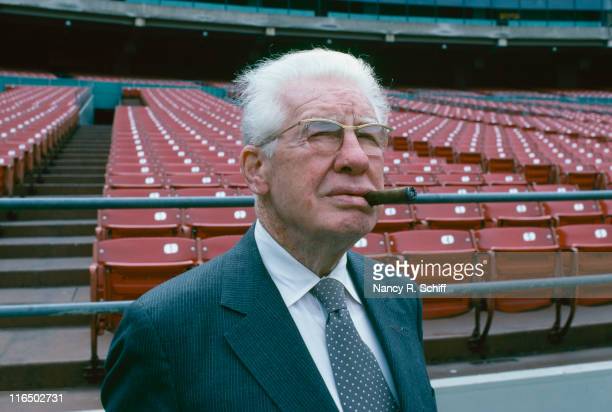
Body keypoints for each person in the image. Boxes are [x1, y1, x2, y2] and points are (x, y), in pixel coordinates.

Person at [101, 48, 437, 412]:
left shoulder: (397, 292)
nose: (356, 158)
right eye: (322, 132)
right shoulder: (164, 330)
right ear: (257, 169)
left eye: (370, 136)